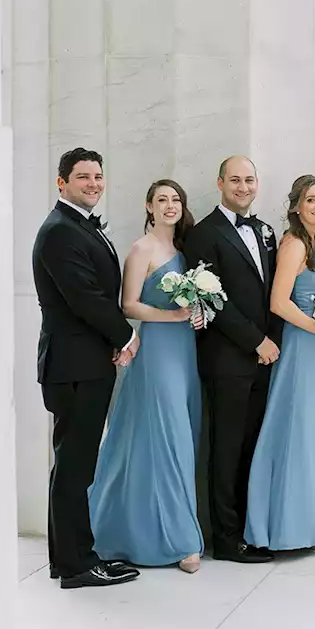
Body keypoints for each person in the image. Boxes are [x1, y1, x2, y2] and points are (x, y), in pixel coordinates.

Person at [32, 148, 140, 588]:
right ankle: (77, 566)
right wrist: (126, 336)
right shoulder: (60, 231)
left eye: (98, 175)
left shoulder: (78, 225)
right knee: (75, 467)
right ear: (62, 182)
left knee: (75, 466)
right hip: (73, 365)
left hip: (86, 361)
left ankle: (74, 556)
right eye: (82, 176)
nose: (93, 183)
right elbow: (85, 297)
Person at [89, 179, 205, 573]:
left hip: (184, 352)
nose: (170, 206)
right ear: (149, 206)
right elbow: (128, 305)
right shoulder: (141, 249)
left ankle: (151, 528)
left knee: (178, 437)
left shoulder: (183, 250)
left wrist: (197, 310)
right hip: (155, 351)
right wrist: (172, 315)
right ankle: (182, 540)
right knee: (170, 439)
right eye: (162, 200)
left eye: (176, 199)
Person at [244, 175, 315, 550]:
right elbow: (279, 302)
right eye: (311, 200)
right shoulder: (293, 244)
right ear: (296, 206)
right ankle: (286, 525)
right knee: (296, 428)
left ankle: (312, 522)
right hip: (302, 346)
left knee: (313, 431)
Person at [184, 156, 281, 563]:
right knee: (224, 449)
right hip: (227, 358)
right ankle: (225, 538)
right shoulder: (203, 234)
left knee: (250, 448)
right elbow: (213, 301)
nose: (243, 187)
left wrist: (271, 343)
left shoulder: (264, 231)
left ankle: (248, 528)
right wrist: (256, 340)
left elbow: (274, 290)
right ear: (220, 182)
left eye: (250, 180)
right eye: (235, 180)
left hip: (265, 358)